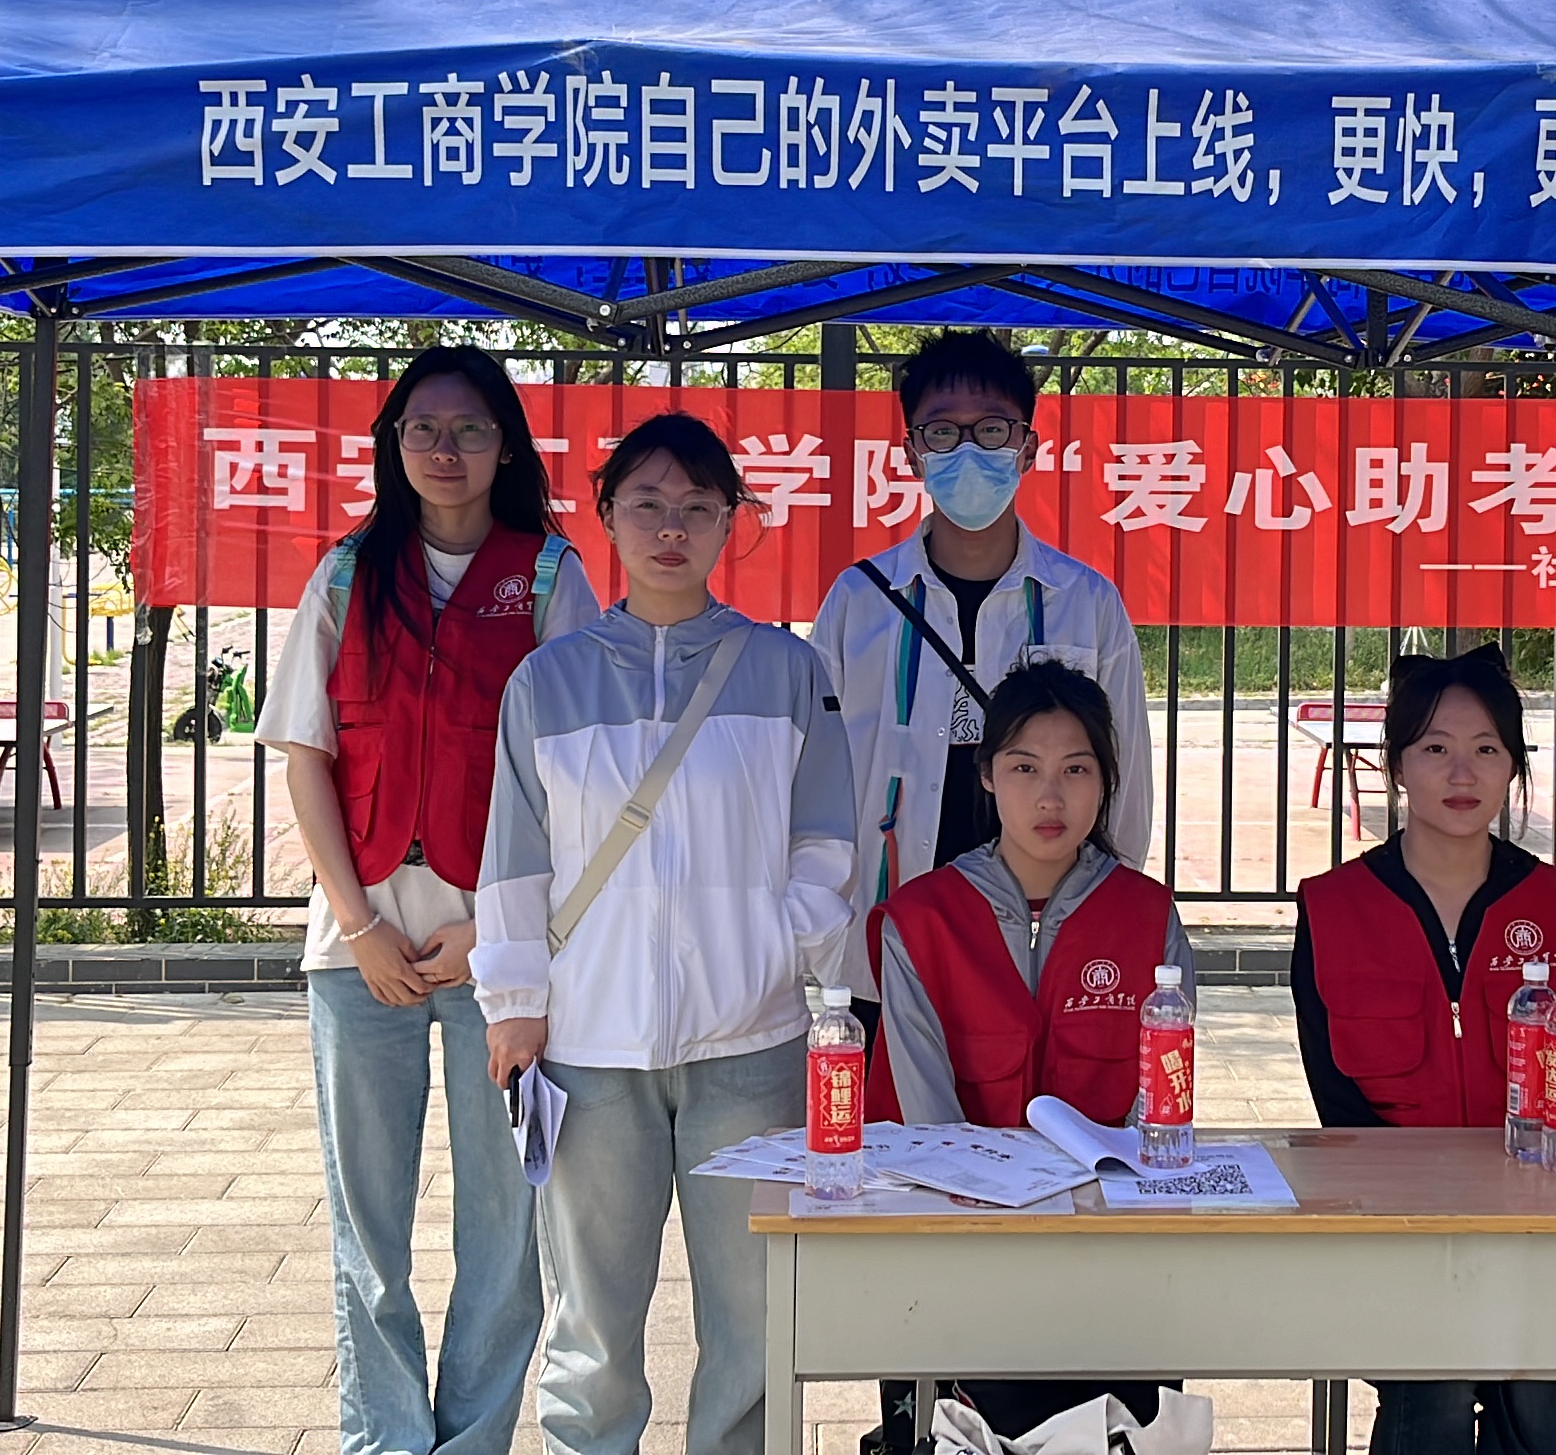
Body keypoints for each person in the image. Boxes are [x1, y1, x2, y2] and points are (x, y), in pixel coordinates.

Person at [474, 412, 857, 1455]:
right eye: (646, 503)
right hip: (588, 1048)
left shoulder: (783, 669)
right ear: (605, 517)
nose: (671, 527)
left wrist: (773, 948)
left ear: (733, 519)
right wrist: (514, 1002)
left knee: (757, 1314)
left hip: (752, 1046)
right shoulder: (548, 681)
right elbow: (514, 859)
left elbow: (826, 843)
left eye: (696, 505)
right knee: (592, 1323)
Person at [261, 348, 597, 1455]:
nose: (444, 450)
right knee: (368, 1228)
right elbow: (304, 755)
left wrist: (495, 932)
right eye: (422, 428)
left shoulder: (548, 575)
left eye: (469, 429)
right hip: (355, 955)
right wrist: (360, 927)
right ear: (392, 443)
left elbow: (581, 780)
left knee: (506, 1223)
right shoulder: (347, 575)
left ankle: (472, 1441)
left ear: (507, 446)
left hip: (499, 957)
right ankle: (388, 1440)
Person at [1292, 642, 1556, 1455]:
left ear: (1513, 767)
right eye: (1435, 749)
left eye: (1486, 750)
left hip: (1541, 1222)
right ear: (1396, 765)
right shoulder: (1333, 908)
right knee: (1427, 1389)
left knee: (1542, 1400)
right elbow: (1338, 1103)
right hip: (1399, 1226)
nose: (1461, 774)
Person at [870, 660, 1194, 1442]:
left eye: (1076, 770)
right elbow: (928, 1122)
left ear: (1106, 783)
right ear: (986, 776)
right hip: (964, 1250)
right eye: (1024, 769)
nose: (1050, 797)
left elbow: (1159, 1110)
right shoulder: (921, 920)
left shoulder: (1148, 916)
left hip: (1111, 1249)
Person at [812, 330, 1155, 976]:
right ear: (913, 454)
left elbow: (1125, 770)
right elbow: (815, 773)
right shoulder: (861, 599)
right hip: (886, 934)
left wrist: (1110, 908)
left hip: (1043, 939)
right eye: (942, 432)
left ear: (1028, 448)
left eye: (992, 430)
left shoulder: (1085, 601)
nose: (968, 450)